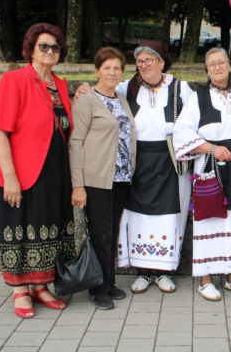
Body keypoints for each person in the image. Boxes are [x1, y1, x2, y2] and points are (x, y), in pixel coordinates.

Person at [0, 23, 75, 318]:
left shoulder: (59, 84)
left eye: (55, 47)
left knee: (49, 227)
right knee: (21, 228)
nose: (50, 51)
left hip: (55, 172)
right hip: (23, 171)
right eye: (43, 46)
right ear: (31, 49)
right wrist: (10, 177)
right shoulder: (14, 79)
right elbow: (2, 132)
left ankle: (41, 286)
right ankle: (21, 292)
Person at [173, 47, 231, 301]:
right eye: (212, 64)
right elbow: (181, 133)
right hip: (210, 165)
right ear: (207, 70)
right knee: (210, 219)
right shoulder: (198, 98)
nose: (218, 67)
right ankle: (206, 280)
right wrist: (212, 148)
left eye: (222, 62)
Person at [116, 42, 193, 294]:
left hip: (170, 159)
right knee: (137, 215)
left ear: (162, 62)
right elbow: (101, 93)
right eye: (139, 60)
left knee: (170, 215)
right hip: (137, 160)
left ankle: (163, 272)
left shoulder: (180, 88)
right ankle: (142, 272)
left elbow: (195, 119)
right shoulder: (127, 87)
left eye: (149, 60)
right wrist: (84, 89)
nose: (143, 65)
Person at [69, 47, 137, 310]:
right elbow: (75, 142)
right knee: (99, 235)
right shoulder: (87, 99)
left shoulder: (120, 98)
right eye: (107, 67)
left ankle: (108, 282)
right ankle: (97, 288)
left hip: (120, 178)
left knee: (111, 232)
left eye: (117, 68)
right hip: (96, 179)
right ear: (96, 70)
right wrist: (78, 184)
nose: (112, 72)